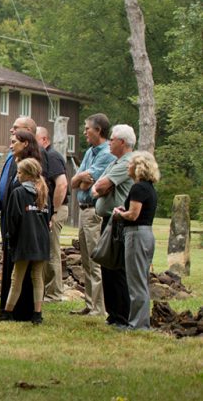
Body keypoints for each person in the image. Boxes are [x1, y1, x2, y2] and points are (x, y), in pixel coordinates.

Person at [0, 127, 46, 320]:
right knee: (37, 278)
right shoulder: (43, 192)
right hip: (41, 241)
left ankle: (7, 312)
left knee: (16, 277)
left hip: (24, 241)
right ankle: (37, 313)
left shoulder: (19, 192)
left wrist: (10, 236)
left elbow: (14, 218)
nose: (15, 176)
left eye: (18, 173)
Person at [68, 113, 113, 316]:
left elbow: (89, 182)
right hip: (82, 210)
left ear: (99, 130)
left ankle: (99, 307)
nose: (85, 132)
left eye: (88, 129)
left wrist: (81, 179)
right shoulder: (89, 152)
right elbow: (76, 181)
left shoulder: (106, 154)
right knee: (86, 260)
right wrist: (80, 178)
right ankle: (89, 303)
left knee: (95, 259)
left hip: (94, 212)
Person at [92, 124, 137, 327]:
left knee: (117, 269)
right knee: (106, 266)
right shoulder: (115, 162)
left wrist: (101, 188)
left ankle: (122, 316)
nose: (109, 142)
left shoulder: (127, 163)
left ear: (122, 142)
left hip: (119, 222)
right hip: (109, 222)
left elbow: (99, 186)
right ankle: (112, 313)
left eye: (112, 139)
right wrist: (100, 188)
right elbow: (97, 186)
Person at [112, 151, 159, 330]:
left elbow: (133, 215)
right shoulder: (149, 188)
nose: (127, 166)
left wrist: (119, 214)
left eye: (130, 163)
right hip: (146, 234)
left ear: (139, 167)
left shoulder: (138, 188)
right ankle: (140, 322)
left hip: (136, 235)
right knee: (141, 279)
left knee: (135, 281)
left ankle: (137, 325)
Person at [36, 126, 69, 302]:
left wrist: (54, 211)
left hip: (57, 208)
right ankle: (46, 290)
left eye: (36, 140)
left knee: (52, 250)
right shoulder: (45, 156)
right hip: (51, 209)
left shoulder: (52, 155)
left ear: (45, 140)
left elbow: (62, 184)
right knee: (47, 249)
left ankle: (54, 292)